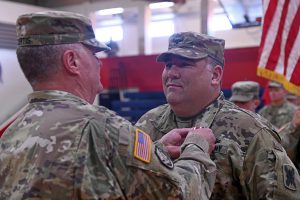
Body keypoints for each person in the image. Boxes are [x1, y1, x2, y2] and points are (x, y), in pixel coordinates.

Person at [0, 11, 217, 199]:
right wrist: (197, 147)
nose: (100, 62)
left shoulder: (12, 135)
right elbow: (180, 194)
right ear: (72, 61)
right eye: (93, 53)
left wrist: (156, 151)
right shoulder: (101, 127)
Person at [135, 32, 300, 199]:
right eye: (168, 65)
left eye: (184, 64)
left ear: (215, 75)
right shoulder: (147, 123)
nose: (171, 73)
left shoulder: (250, 131)